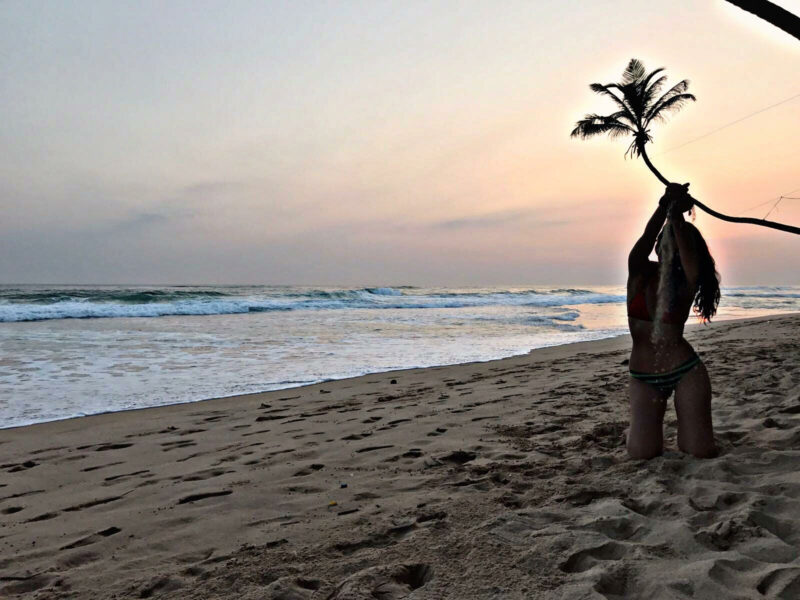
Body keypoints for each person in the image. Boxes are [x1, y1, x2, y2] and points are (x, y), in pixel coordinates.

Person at [626, 183, 721, 459]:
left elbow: (689, 257)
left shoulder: (686, 282)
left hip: (685, 372)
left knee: (700, 451)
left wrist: (676, 216)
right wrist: (664, 205)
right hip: (644, 376)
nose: (665, 242)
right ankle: (633, 434)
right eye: (663, 238)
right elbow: (646, 237)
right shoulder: (639, 271)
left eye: (674, 240)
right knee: (643, 454)